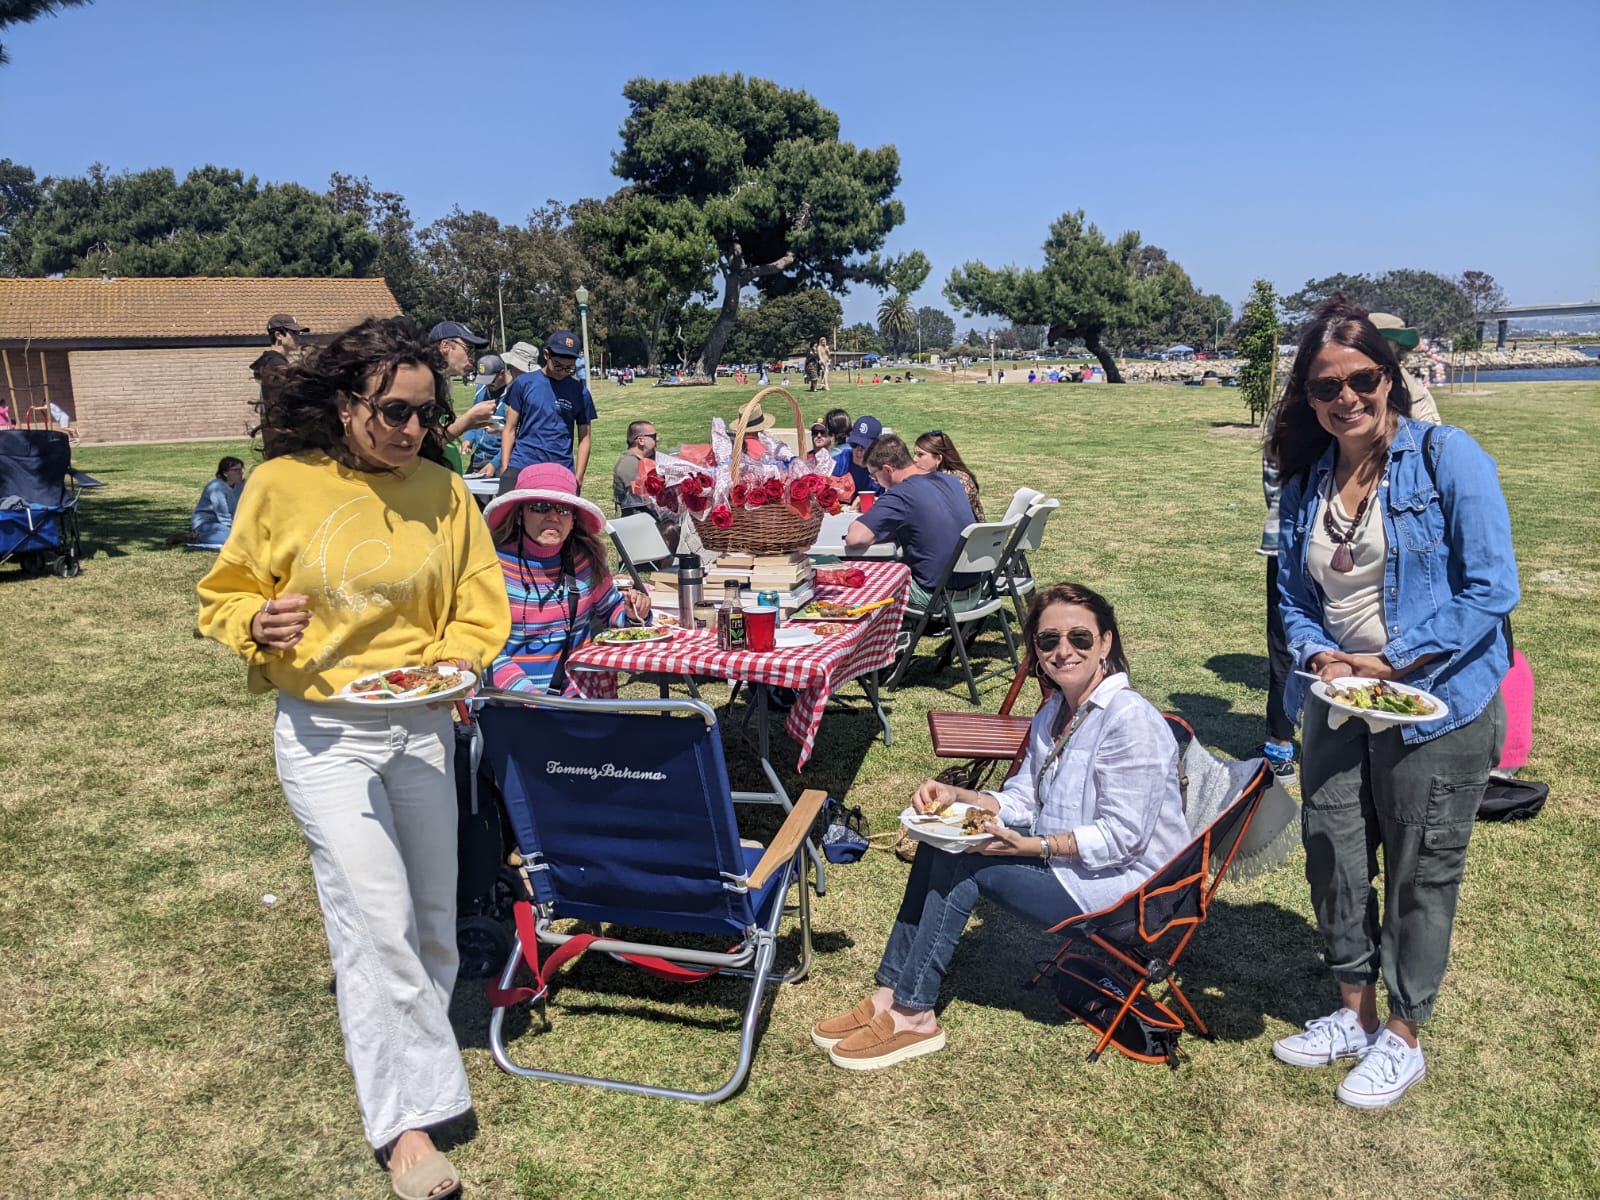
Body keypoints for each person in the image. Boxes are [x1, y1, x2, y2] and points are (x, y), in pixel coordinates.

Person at [196, 317, 511, 1199]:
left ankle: (416, 1071)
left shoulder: (446, 492)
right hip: (327, 734)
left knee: (433, 920)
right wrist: (256, 622)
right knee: (373, 921)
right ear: (345, 405)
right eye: (392, 411)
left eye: (426, 413)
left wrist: (457, 659)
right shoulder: (280, 484)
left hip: (423, 724)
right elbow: (225, 594)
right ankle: (408, 1124)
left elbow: (479, 602)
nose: (411, 429)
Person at [1268, 297, 1517, 1109]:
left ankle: (1403, 1036)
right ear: (1309, 397)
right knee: (1332, 852)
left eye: (1362, 379)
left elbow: (1492, 588)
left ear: (1389, 378)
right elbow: (1292, 596)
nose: (1346, 397)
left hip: (1435, 701)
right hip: (1338, 696)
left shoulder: (1448, 456)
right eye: (1325, 386)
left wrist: (1391, 659)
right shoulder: (1306, 479)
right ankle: (1354, 1012)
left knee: (1420, 867)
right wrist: (1320, 653)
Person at [811, 582, 1188, 1070]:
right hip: (1074, 867)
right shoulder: (1055, 711)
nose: (1063, 651)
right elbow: (1025, 798)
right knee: (938, 843)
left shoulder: (1129, 720)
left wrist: (1031, 847)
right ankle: (890, 993)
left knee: (964, 863)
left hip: (1127, 891)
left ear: (1106, 644)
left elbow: (1122, 838)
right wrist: (962, 798)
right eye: (1048, 640)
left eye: (1079, 638)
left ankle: (915, 1014)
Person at [483, 463, 651, 696]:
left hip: (577, 697)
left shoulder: (586, 559)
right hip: (511, 702)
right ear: (520, 514)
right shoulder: (490, 566)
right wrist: (532, 699)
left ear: (573, 520)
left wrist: (633, 614)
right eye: (540, 507)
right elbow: (484, 649)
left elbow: (611, 609)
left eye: (563, 510)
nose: (553, 517)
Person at [845, 433, 978, 612]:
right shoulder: (951, 481)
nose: (876, 482)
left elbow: (855, 538)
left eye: (874, 477)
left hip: (937, 598)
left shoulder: (901, 494)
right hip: (975, 591)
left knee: (865, 575)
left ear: (887, 470)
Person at [497, 331, 598, 494]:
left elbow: (585, 437)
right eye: (558, 365)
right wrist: (505, 467)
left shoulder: (580, 392)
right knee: (507, 509)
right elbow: (509, 429)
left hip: (560, 468)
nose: (563, 371)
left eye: (569, 368)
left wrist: (578, 478)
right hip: (522, 464)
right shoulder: (523, 384)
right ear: (546, 355)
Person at [1368, 313, 1441, 424]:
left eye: (1385, 344)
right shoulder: (1346, 389)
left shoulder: (1417, 396)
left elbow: (1430, 432)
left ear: (1398, 348)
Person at [459, 351, 517, 476]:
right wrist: (468, 440)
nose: (486, 384)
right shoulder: (481, 389)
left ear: (502, 373)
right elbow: (474, 419)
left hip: (502, 460)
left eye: (490, 380)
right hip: (478, 457)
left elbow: (515, 434)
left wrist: (495, 464)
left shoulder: (515, 394)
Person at [912, 430, 985, 521]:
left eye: (920, 455)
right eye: (915, 454)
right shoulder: (923, 479)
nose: (914, 459)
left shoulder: (959, 481)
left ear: (938, 459)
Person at [190, 455, 245, 545]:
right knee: (234, 537)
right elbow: (223, 516)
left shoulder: (241, 485)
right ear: (225, 473)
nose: (241, 473)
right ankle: (195, 537)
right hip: (206, 523)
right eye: (236, 470)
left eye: (241, 469)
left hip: (225, 524)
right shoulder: (217, 488)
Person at [612, 419, 658, 514]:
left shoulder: (647, 458)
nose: (658, 439)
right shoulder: (628, 464)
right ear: (641, 440)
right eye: (654, 436)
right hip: (640, 518)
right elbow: (640, 499)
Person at [831, 414, 883, 495]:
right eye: (854, 444)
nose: (858, 450)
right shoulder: (837, 463)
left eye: (864, 446)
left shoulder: (883, 469)